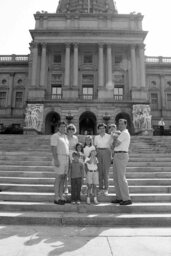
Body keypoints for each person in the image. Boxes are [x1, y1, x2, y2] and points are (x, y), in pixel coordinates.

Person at [112, 119, 132, 205]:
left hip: (121, 155)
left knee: (121, 177)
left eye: (121, 124)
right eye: (119, 124)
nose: (120, 125)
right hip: (117, 155)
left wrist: (114, 137)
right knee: (116, 178)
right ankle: (119, 197)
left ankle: (126, 198)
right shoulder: (121, 133)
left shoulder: (124, 133)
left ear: (125, 125)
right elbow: (115, 144)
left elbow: (115, 144)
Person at [51, 121, 69, 205]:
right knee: (58, 178)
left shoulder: (65, 136)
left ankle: (61, 196)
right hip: (59, 157)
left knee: (63, 178)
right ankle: (56, 197)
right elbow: (53, 148)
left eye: (64, 127)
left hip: (66, 158)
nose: (63, 128)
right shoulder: (55, 136)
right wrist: (56, 159)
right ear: (58, 127)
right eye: (61, 126)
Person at [94, 123, 112, 196]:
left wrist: (111, 156)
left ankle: (106, 189)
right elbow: (95, 147)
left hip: (106, 152)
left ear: (105, 129)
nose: (102, 130)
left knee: (106, 172)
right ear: (98, 129)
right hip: (98, 152)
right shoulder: (96, 137)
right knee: (100, 171)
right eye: (100, 128)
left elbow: (112, 146)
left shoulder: (109, 136)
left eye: (103, 128)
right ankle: (100, 188)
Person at [66, 123, 78, 194]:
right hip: (66, 154)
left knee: (73, 172)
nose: (71, 130)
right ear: (67, 130)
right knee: (66, 172)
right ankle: (66, 187)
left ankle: (73, 186)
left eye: (72, 129)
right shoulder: (64, 137)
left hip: (73, 155)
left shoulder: (76, 138)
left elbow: (76, 147)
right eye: (69, 129)